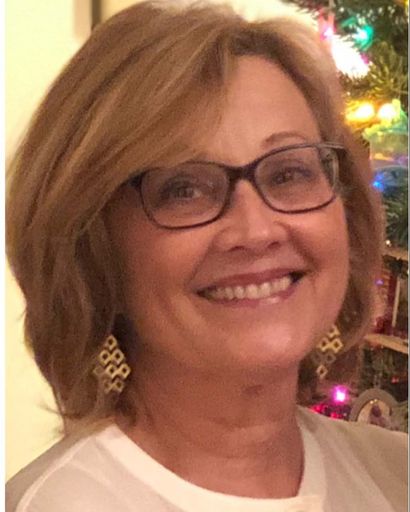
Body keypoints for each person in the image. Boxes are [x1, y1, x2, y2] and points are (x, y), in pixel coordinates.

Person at [6, 2, 407, 511]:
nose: (256, 230)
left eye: (289, 173)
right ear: (93, 246)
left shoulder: (395, 476)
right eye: (185, 189)